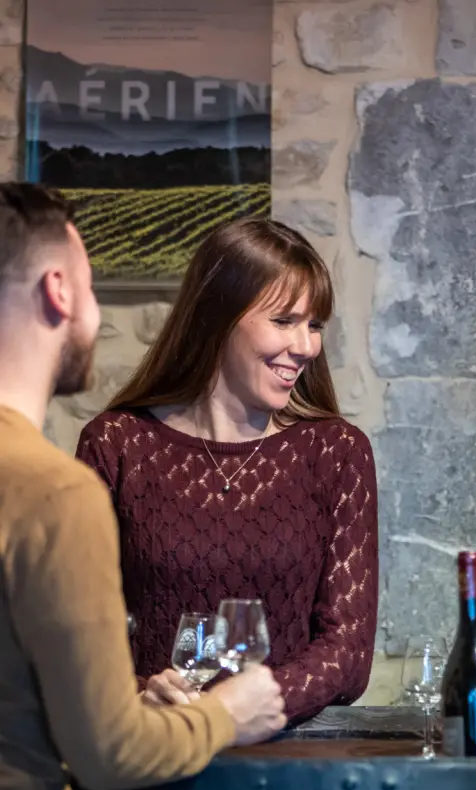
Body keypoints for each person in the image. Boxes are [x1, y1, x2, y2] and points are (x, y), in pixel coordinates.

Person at [0, 183, 286, 790]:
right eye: (92, 286)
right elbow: (109, 752)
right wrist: (227, 712)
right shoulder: (53, 493)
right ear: (59, 292)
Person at [76, 217, 379, 726]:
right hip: (151, 750)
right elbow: (77, 630)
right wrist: (137, 692)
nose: (305, 346)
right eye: (284, 321)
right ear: (217, 317)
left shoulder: (336, 452)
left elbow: (347, 652)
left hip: (288, 764)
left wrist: (230, 715)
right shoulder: (117, 445)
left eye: (314, 325)